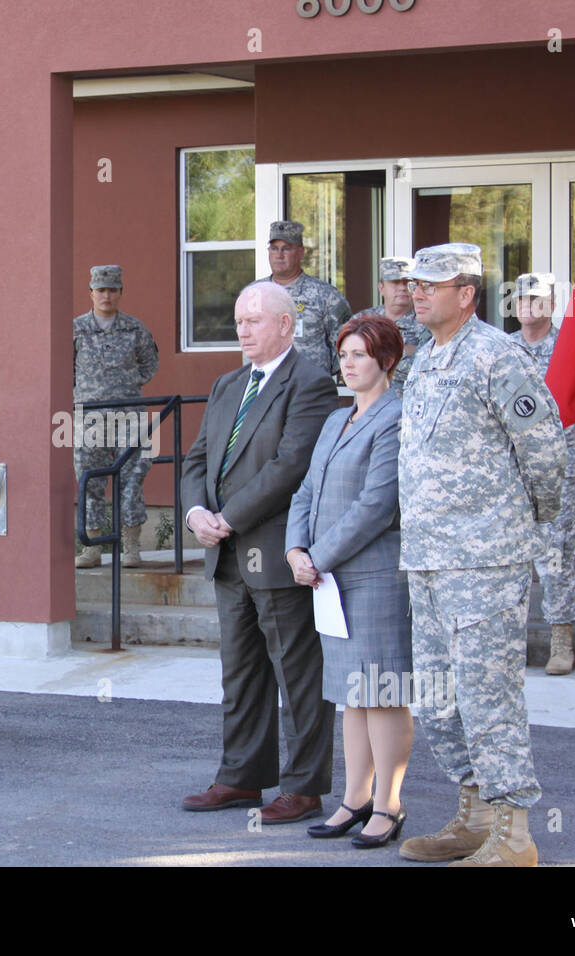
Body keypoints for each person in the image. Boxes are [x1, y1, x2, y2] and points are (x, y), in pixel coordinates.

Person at [396, 244, 566, 867]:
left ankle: (515, 833)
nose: (417, 293)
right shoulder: (424, 360)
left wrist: (521, 526)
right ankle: (476, 815)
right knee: (439, 697)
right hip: (429, 559)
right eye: (415, 283)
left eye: (432, 284)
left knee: (489, 695)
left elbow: (546, 454)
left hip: (485, 561)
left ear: (466, 293)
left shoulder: (496, 356)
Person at [179, 281, 337, 824]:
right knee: (240, 672)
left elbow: (291, 467)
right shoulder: (228, 384)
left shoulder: (310, 383)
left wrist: (229, 517)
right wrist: (196, 512)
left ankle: (304, 787)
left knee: (296, 674)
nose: (242, 330)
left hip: (275, 552)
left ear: (286, 325)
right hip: (226, 556)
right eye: (239, 320)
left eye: (254, 320)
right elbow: (197, 459)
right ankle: (241, 778)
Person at [285, 313, 413, 848]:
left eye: (359, 354)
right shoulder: (336, 419)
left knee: (382, 693)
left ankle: (389, 805)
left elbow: (377, 505)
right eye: (343, 355)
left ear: (385, 360)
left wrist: (318, 556)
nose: (349, 363)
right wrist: (295, 548)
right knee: (349, 695)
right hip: (329, 578)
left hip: (376, 575)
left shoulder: (398, 416)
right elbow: (306, 491)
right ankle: (354, 800)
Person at [511, 272, 575, 675]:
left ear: (551, 305)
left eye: (537, 299)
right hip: (510, 470)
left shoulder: (567, 349)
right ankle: (510, 642)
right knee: (510, 560)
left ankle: (560, 640)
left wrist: (565, 437)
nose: (528, 306)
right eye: (522, 299)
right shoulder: (504, 350)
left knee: (554, 558)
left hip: (557, 469)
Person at [73, 265, 159, 568]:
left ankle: (131, 547)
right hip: (90, 417)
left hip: (129, 416)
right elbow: (64, 369)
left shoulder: (135, 329)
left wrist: (125, 387)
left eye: (112, 289)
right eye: (100, 290)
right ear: (91, 293)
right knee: (89, 480)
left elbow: (150, 364)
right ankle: (92, 547)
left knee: (132, 478)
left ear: (120, 292)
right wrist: (87, 392)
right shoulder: (76, 329)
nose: (106, 295)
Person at [257, 220, 352, 380]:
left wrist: (319, 372)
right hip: (265, 390)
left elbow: (345, 343)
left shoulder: (325, 295)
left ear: (301, 252)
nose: (279, 255)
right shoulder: (254, 293)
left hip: (311, 391)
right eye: (274, 249)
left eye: (286, 248)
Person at [352, 256, 429, 396]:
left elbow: (420, 370)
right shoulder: (361, 321)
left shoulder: (427, 323)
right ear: (381, 288)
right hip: (368, 409)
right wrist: (404, 352)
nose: (402, 288)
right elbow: (350, 366)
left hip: (406, 408)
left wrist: (371, 355)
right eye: (395, 282)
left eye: (407, 282)